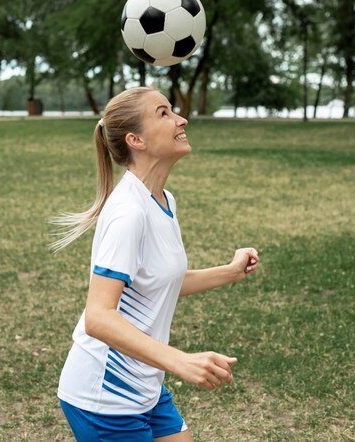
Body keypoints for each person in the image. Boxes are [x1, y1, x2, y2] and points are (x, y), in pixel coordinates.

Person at [52, 86, 260, 442]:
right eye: (163, 113)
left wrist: (231, 271)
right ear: (136, 139)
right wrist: (178, 360)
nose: (182, 119)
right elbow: (98, 316)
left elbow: (159, 281)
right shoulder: (128, 212)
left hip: (145, 386)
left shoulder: (163, 200)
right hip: (105, 398)